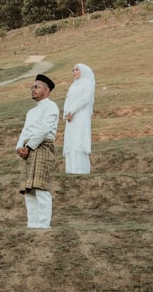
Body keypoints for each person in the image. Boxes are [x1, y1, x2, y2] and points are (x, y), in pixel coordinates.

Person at [16, 74, 60, 229]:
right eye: (32, 87)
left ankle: (43, 226)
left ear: (46, 90)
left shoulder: (51, 106)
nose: (33, 90)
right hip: (28, 150)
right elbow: (25, 131)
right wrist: (19, 148)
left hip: (42, 147)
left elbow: (44, 129)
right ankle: (32, 225)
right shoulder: (31, 112)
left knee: (41, 188)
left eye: (36, 87)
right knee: (28, 191)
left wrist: (29, 147)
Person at [62, 63, 95, 174]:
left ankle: (81, 170)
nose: (74, 72)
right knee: (71, 140)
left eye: (77, 70)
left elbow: (86, 100)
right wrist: (67, 113)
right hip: (71, 119)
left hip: (81, 116)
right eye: (73, 70)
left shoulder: (87, 83)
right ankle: (70, 170)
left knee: (78, 140)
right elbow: (67, 100)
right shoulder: (73, 86)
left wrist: (73, 111)